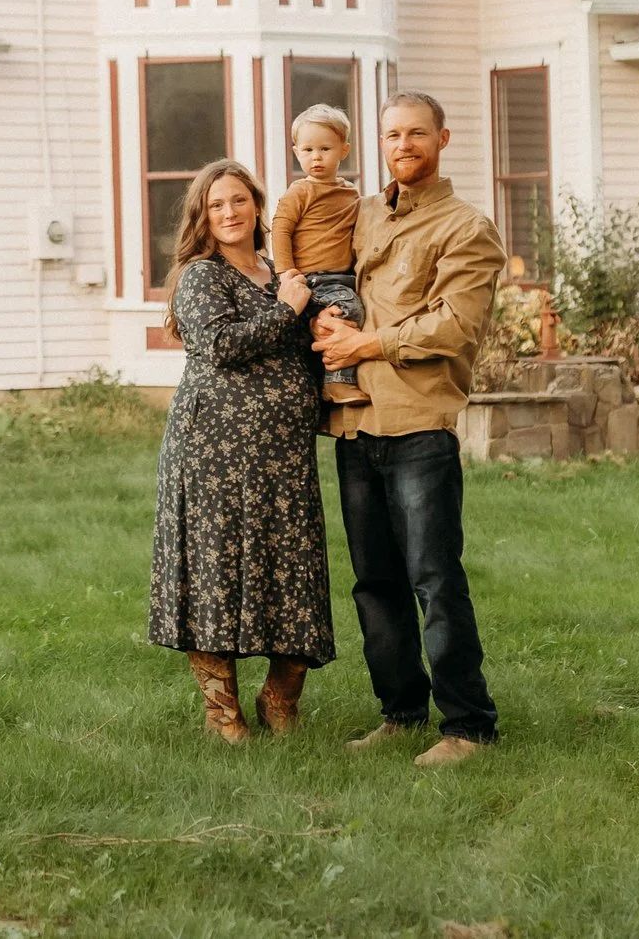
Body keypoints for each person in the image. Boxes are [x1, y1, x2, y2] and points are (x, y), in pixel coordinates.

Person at [310, 91, 508, 767]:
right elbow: (316, 266)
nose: (403, 144)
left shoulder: (465, 227)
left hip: (419, 424)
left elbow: (455, 326)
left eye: (417, 133)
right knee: (375, 581)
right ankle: (400, 712)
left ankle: (469, 726)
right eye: (393, 134)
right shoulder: (364, 214)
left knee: (433, 577)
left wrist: (365, 344)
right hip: (356, 424)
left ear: (443, 139)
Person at [148, 158, 336, 743]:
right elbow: (222, 345)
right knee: (216, 569)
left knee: (293, 570)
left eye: (238, 200)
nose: (228, 213)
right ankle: (223, 716)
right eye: (215, 205)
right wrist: (289, 309)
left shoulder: (281, 272)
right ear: (203, 217)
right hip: (213, 452)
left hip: (283, 453)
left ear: (257, 205)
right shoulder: (203, 276)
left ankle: (280, 700)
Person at [272, 103, 368, 408]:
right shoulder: (299, 192)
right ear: (296, 151)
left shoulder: (351, 194)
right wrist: (285, 271)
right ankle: (336, 383)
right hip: (314, 279)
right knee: (346, 311)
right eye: (308, 149)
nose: (316, 157)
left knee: (357, 311)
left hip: (343, 276)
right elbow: (280, 229)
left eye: (325, 148)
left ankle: (324, 382)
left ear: (344, 150)